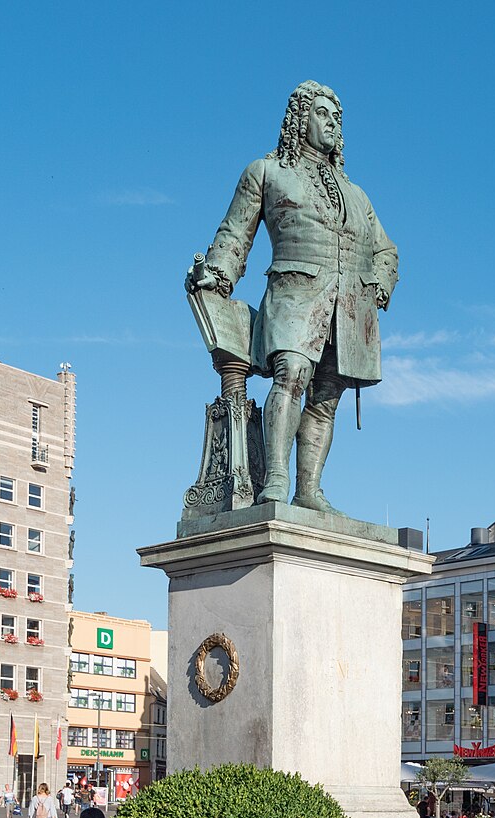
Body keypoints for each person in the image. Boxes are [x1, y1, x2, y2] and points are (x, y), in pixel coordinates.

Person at [191, 80, 401, 513]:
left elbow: (386, 250)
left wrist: (379, 282)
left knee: (326, 398)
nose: (332, 124)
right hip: (295, 295)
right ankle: (276, 479)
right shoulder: (266, 172)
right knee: (291, 373)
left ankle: (309, 490)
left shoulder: (357, 195)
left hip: (349, 309)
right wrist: (216, 274)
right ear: (299, 119)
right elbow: (235, 234)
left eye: (336, 117)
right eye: (322, 114)